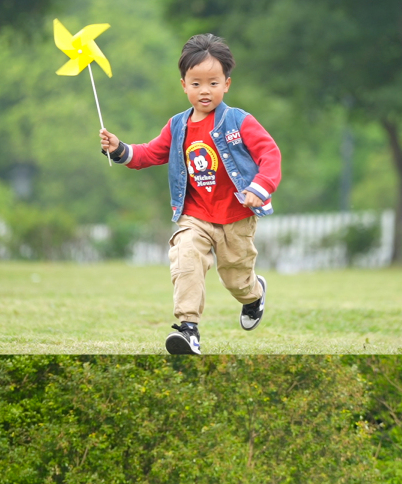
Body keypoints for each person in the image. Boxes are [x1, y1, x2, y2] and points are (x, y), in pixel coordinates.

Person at [99, 33, 281, 355]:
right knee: (184, 260)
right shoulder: (177, 126)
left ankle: (253, 295)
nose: (204, 91)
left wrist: (260, 187)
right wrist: (119, 149)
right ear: (183, 85)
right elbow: (150, 154)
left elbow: (270, 154)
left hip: (235, 216)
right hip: (194, 215)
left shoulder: (239, 121)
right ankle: (188, 330)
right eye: (196, 83)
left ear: (227, 84)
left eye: (212, 82)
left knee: (235, 279)